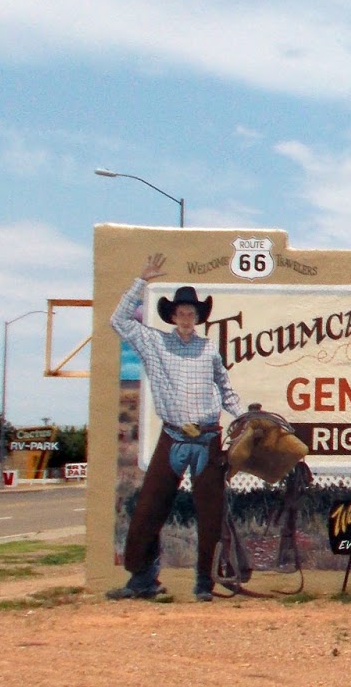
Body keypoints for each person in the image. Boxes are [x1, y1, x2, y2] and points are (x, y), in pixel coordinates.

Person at [107, 253, 244, 601]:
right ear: (172, 315)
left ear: (198, 317)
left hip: (208, 438)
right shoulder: (153, 343)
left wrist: (242, 416)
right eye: (181, 312)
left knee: (211, 514)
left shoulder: (209, 349)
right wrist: (142, 281)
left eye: (192, 313)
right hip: (173, 436)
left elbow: (226, 388)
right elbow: (118, 320)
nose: (186, 317)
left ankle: (204, 582)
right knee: (149, 506)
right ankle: (142, 580)